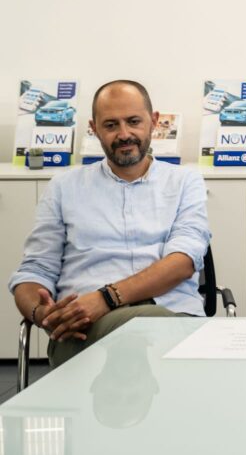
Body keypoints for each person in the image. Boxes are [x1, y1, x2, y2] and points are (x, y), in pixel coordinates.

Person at [9, 80, 210, 367]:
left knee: (152, 326)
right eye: (111, 125)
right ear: (95, 128)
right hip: (85, 331)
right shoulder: (64, 187)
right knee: (158, 337)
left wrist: (105, 299)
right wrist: (43, 314)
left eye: (134, 121)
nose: (124, 134)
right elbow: (34, 271)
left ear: (154, 122)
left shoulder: (184, 182)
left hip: (171, 316)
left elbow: (182, 263)